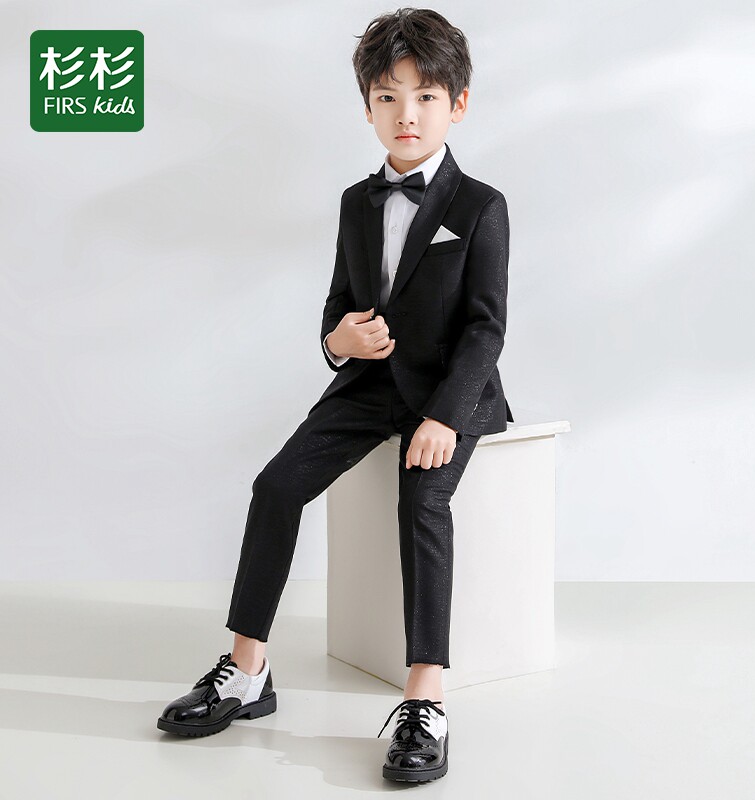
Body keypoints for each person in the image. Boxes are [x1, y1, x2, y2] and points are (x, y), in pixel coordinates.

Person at [156, 7, 513, 783]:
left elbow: (487, 329)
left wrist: (444, 416)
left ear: (458, 104)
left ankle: (426, 699)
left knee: (422, 502)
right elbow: (337, 308)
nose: (406, 114)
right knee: (275, 486)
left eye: (425, 96)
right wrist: (337, 342)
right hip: (366, 386)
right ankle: (247, 669)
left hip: (448, 392)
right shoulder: (357, 201)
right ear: (367, 109)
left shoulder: (480, 205)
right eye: (388, 97)